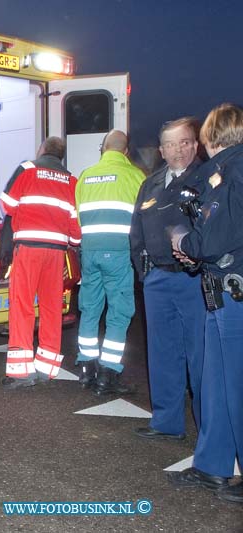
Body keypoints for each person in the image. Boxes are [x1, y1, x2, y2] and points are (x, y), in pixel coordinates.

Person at [168, 103, 243, 504]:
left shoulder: (233, 172)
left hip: (235, 295)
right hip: (222, 293)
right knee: (215, 386)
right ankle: (213, 466)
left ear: (211, 138)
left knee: (237, 387)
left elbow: (215, 235)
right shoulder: (226, 172)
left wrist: (184, 242)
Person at [129, 118, 205, 440]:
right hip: (158, 279)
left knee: (201, 358)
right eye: (171, 144)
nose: (178, 150)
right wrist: (144, 272)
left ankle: (209, 431)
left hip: (195, 281)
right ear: (161, 150)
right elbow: (137, 230)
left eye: (185, 142)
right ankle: (166, 423)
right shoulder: (151, 183)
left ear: (195, 145)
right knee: (162, 353)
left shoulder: (209, 178)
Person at [0, 137, 81, 389]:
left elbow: (7, 204)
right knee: (51, 307)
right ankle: (47, 368)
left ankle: (21, 373)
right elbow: (76, 231)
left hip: (29, 248)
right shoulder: (72, 180)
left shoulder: (28, 169)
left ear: (42, 151)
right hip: (56, 252)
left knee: (22, 305)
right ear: (61, 156)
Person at [74, 130, 145, 395]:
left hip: (90, 251)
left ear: (102, 149)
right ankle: (108, 374)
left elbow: (78, 215)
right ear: (126, 151)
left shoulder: (85, 176)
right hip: (118, 252)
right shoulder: (136, 176)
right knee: (119, 312)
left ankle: (86, 369)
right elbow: (143, 219)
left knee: (90, 309)